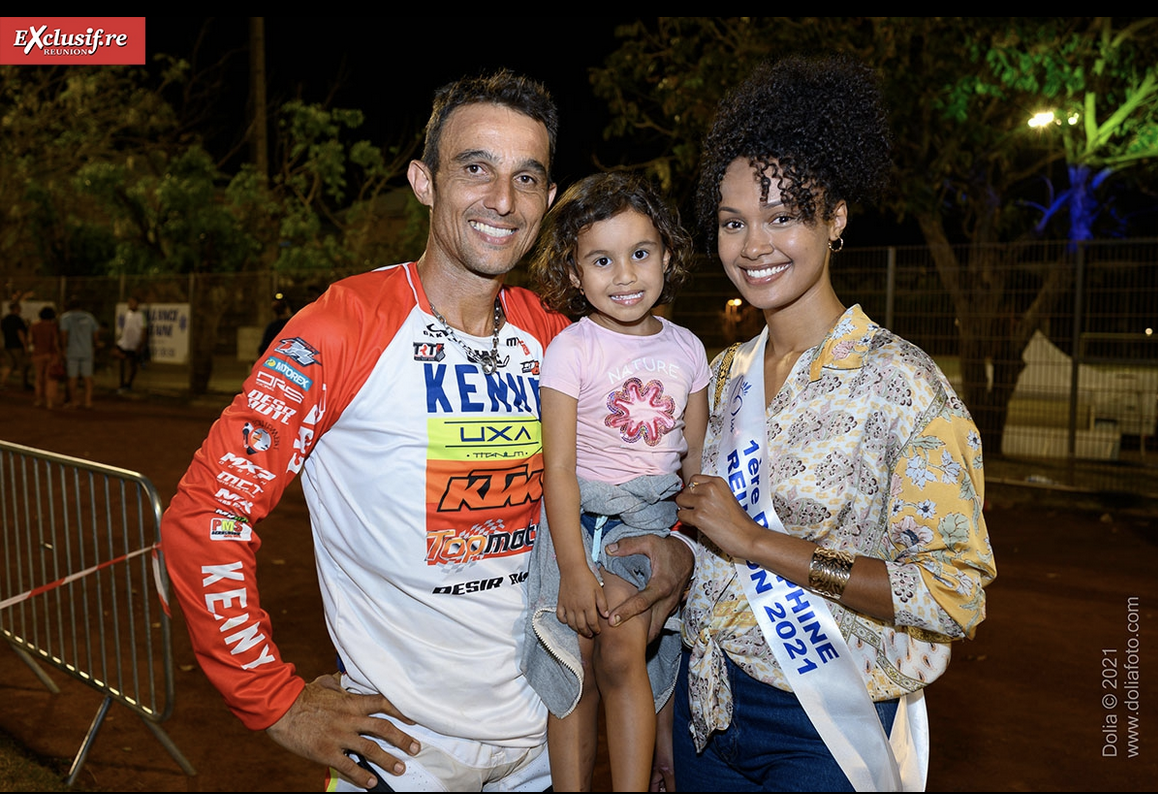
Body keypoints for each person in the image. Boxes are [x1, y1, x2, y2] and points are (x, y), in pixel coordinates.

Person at [159, 69, 693, 792]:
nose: (502, 201)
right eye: (476, 168)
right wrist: (275, 701)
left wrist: (679, 553)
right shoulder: (341, 328)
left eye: (527, 178)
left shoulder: (559, 339)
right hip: (402, 756)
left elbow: (665, 464)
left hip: (547, 738)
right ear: (423, 181)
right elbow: (206, 517)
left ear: (545, 197)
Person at [670, 55, 996, 792]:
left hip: (823, 730)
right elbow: (702, 540)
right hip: (705, 708)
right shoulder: (721, 377)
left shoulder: (904, 385)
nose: (754, 245)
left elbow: (951, 592)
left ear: (835, 217)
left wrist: (760, 543)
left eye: (782, 216)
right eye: (733, 222)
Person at [520, 173, 708, 791]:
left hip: (648, 522)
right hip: (579, 522)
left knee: (625, 650)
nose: (624, 275)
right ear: (575, 274)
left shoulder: (689, 350)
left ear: (668, 256)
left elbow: (695, 467)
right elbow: (559, 470)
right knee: (575, 665)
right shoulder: (571, 349)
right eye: (602, 260)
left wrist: (684, 542)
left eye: (640, 253)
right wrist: (573, 569)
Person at [58, 296, 100, 410]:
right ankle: (88, 401)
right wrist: (95, 345)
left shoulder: (66, 318)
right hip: (87, 350)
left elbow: (64, 334)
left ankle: (74, 401)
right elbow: (96, 333)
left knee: (72, 378)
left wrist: (63, 348)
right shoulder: (89, 317)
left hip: (72, 351)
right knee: (88, 378)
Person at [29, 306, 62, 409]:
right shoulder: (53, 326)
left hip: (38, 354)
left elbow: (30, 340)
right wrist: (60, 354)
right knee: (51, 378)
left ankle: (39, 400)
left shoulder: (34, 326)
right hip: (51, 355)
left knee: (39, 378)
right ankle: (49, 402)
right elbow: (55, 342)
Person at [114, 295, 148, 393]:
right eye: (129, 302)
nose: (130, 304)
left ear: (137, 304)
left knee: (132, 365)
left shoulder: (141, 315)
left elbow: (144, 330)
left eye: (132, 302)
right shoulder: (128, 313)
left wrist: (140, 344)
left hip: (134, 344)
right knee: (117, 355)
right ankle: (122, 383)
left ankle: (128, 384)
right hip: (125, 343)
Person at [0, 300, 29, 391]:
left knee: (9, 365)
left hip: (7, 344)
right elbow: (20, 333)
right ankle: (24, 384)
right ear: (16, 308)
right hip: (17, 345)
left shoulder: (5, 319)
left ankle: (1, 382)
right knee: (22, 365)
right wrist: (25, 345)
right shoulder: (17, 319)